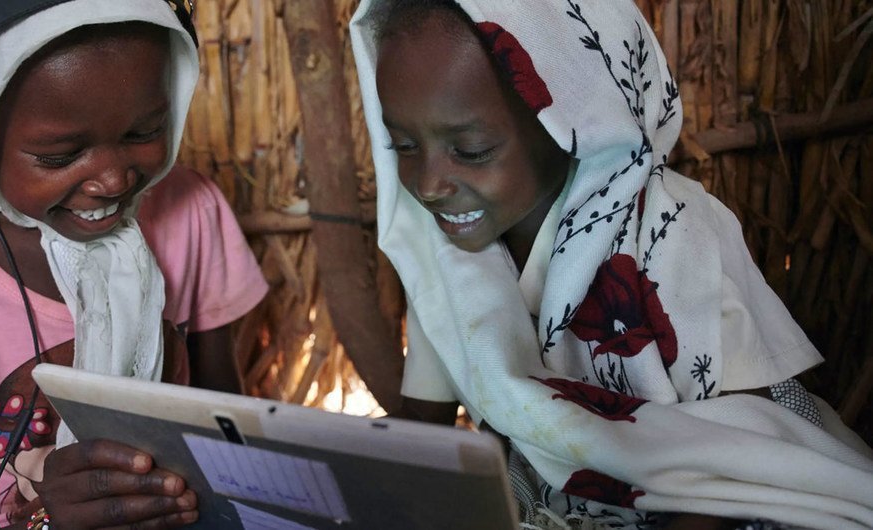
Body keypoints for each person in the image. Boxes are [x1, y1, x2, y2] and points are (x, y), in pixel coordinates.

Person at [349, 0, 873, 528]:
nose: (428, 184)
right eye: (405, 145)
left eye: (472, 149)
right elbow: (423, 433)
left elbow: (745, 459)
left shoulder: (672, 232)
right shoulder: (450, 264)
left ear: (576, 123)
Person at [0, 1, 268, 528]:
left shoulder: (191, 211)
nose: (112, 181)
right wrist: (44, 521)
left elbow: (227, 426)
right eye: (59, 156)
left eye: (143, 132)